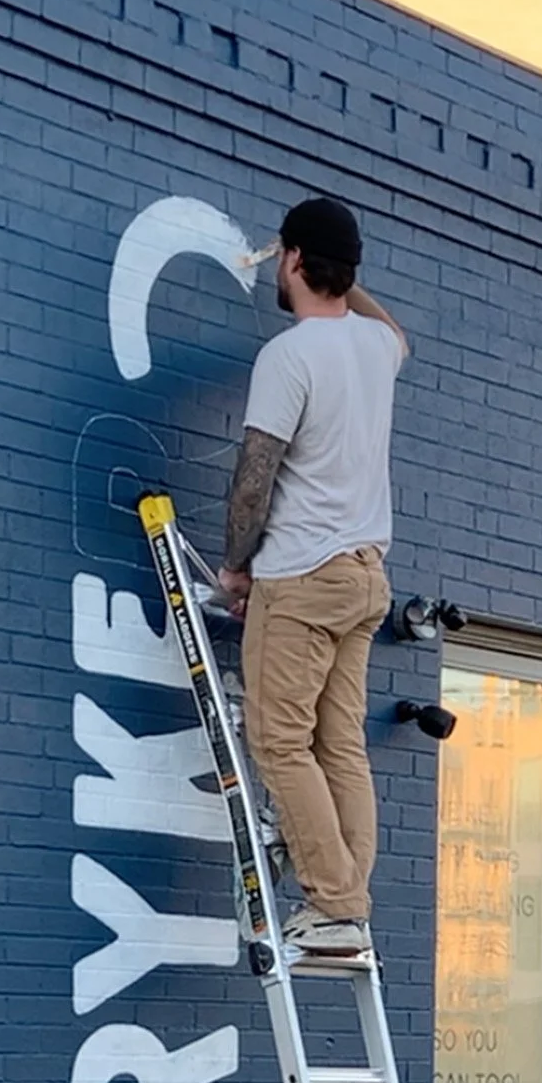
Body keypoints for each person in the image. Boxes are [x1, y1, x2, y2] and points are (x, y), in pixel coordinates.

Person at [218, 197, 408, 955]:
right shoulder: (377, 348)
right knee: (341, 747)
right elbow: (388, 326)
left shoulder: (290, 357)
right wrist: (340, 274)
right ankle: (348, 911)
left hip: (301, 575)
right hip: (365, 578)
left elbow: (254, 479)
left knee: (277, 739)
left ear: (291, 260)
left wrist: (236, 565)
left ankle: (334, 903)